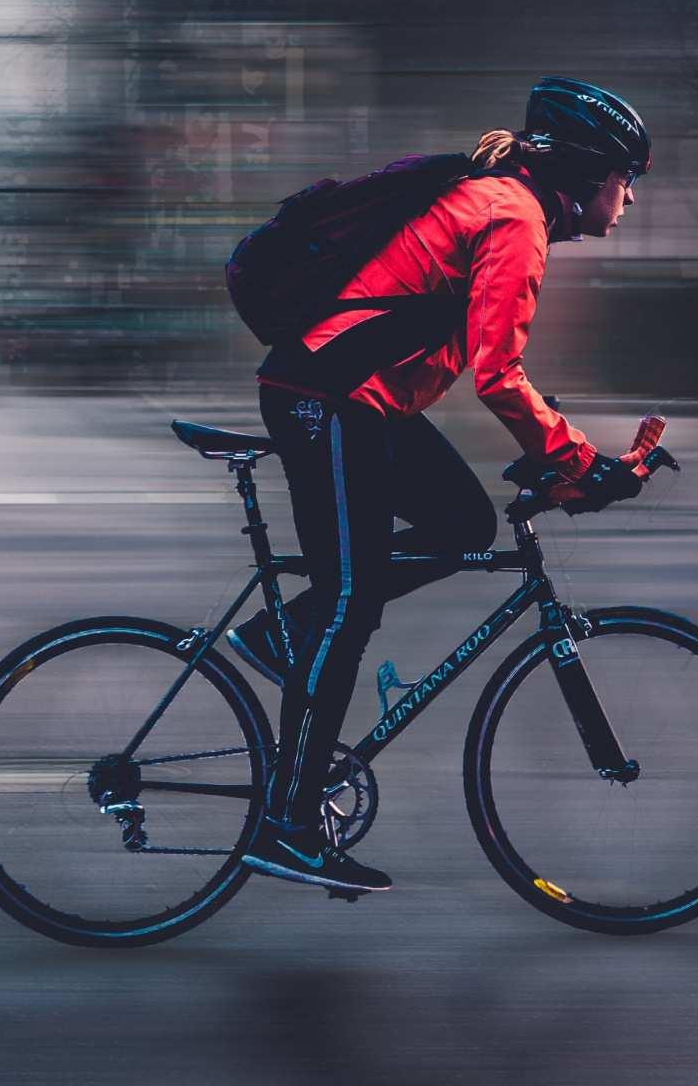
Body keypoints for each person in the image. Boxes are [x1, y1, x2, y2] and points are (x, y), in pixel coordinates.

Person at [230, 76, 654, 894]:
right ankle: (287, 823)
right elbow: (498, 375)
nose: (630, 196)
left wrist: (557, 448)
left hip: (359, 397)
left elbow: (479, 359)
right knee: (351, 606)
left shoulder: (508, 206)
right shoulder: (516, 217)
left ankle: (285, 634)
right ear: (592, 171)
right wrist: (577, 460)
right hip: (328, 396)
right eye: (627, 177)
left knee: (464, 524)